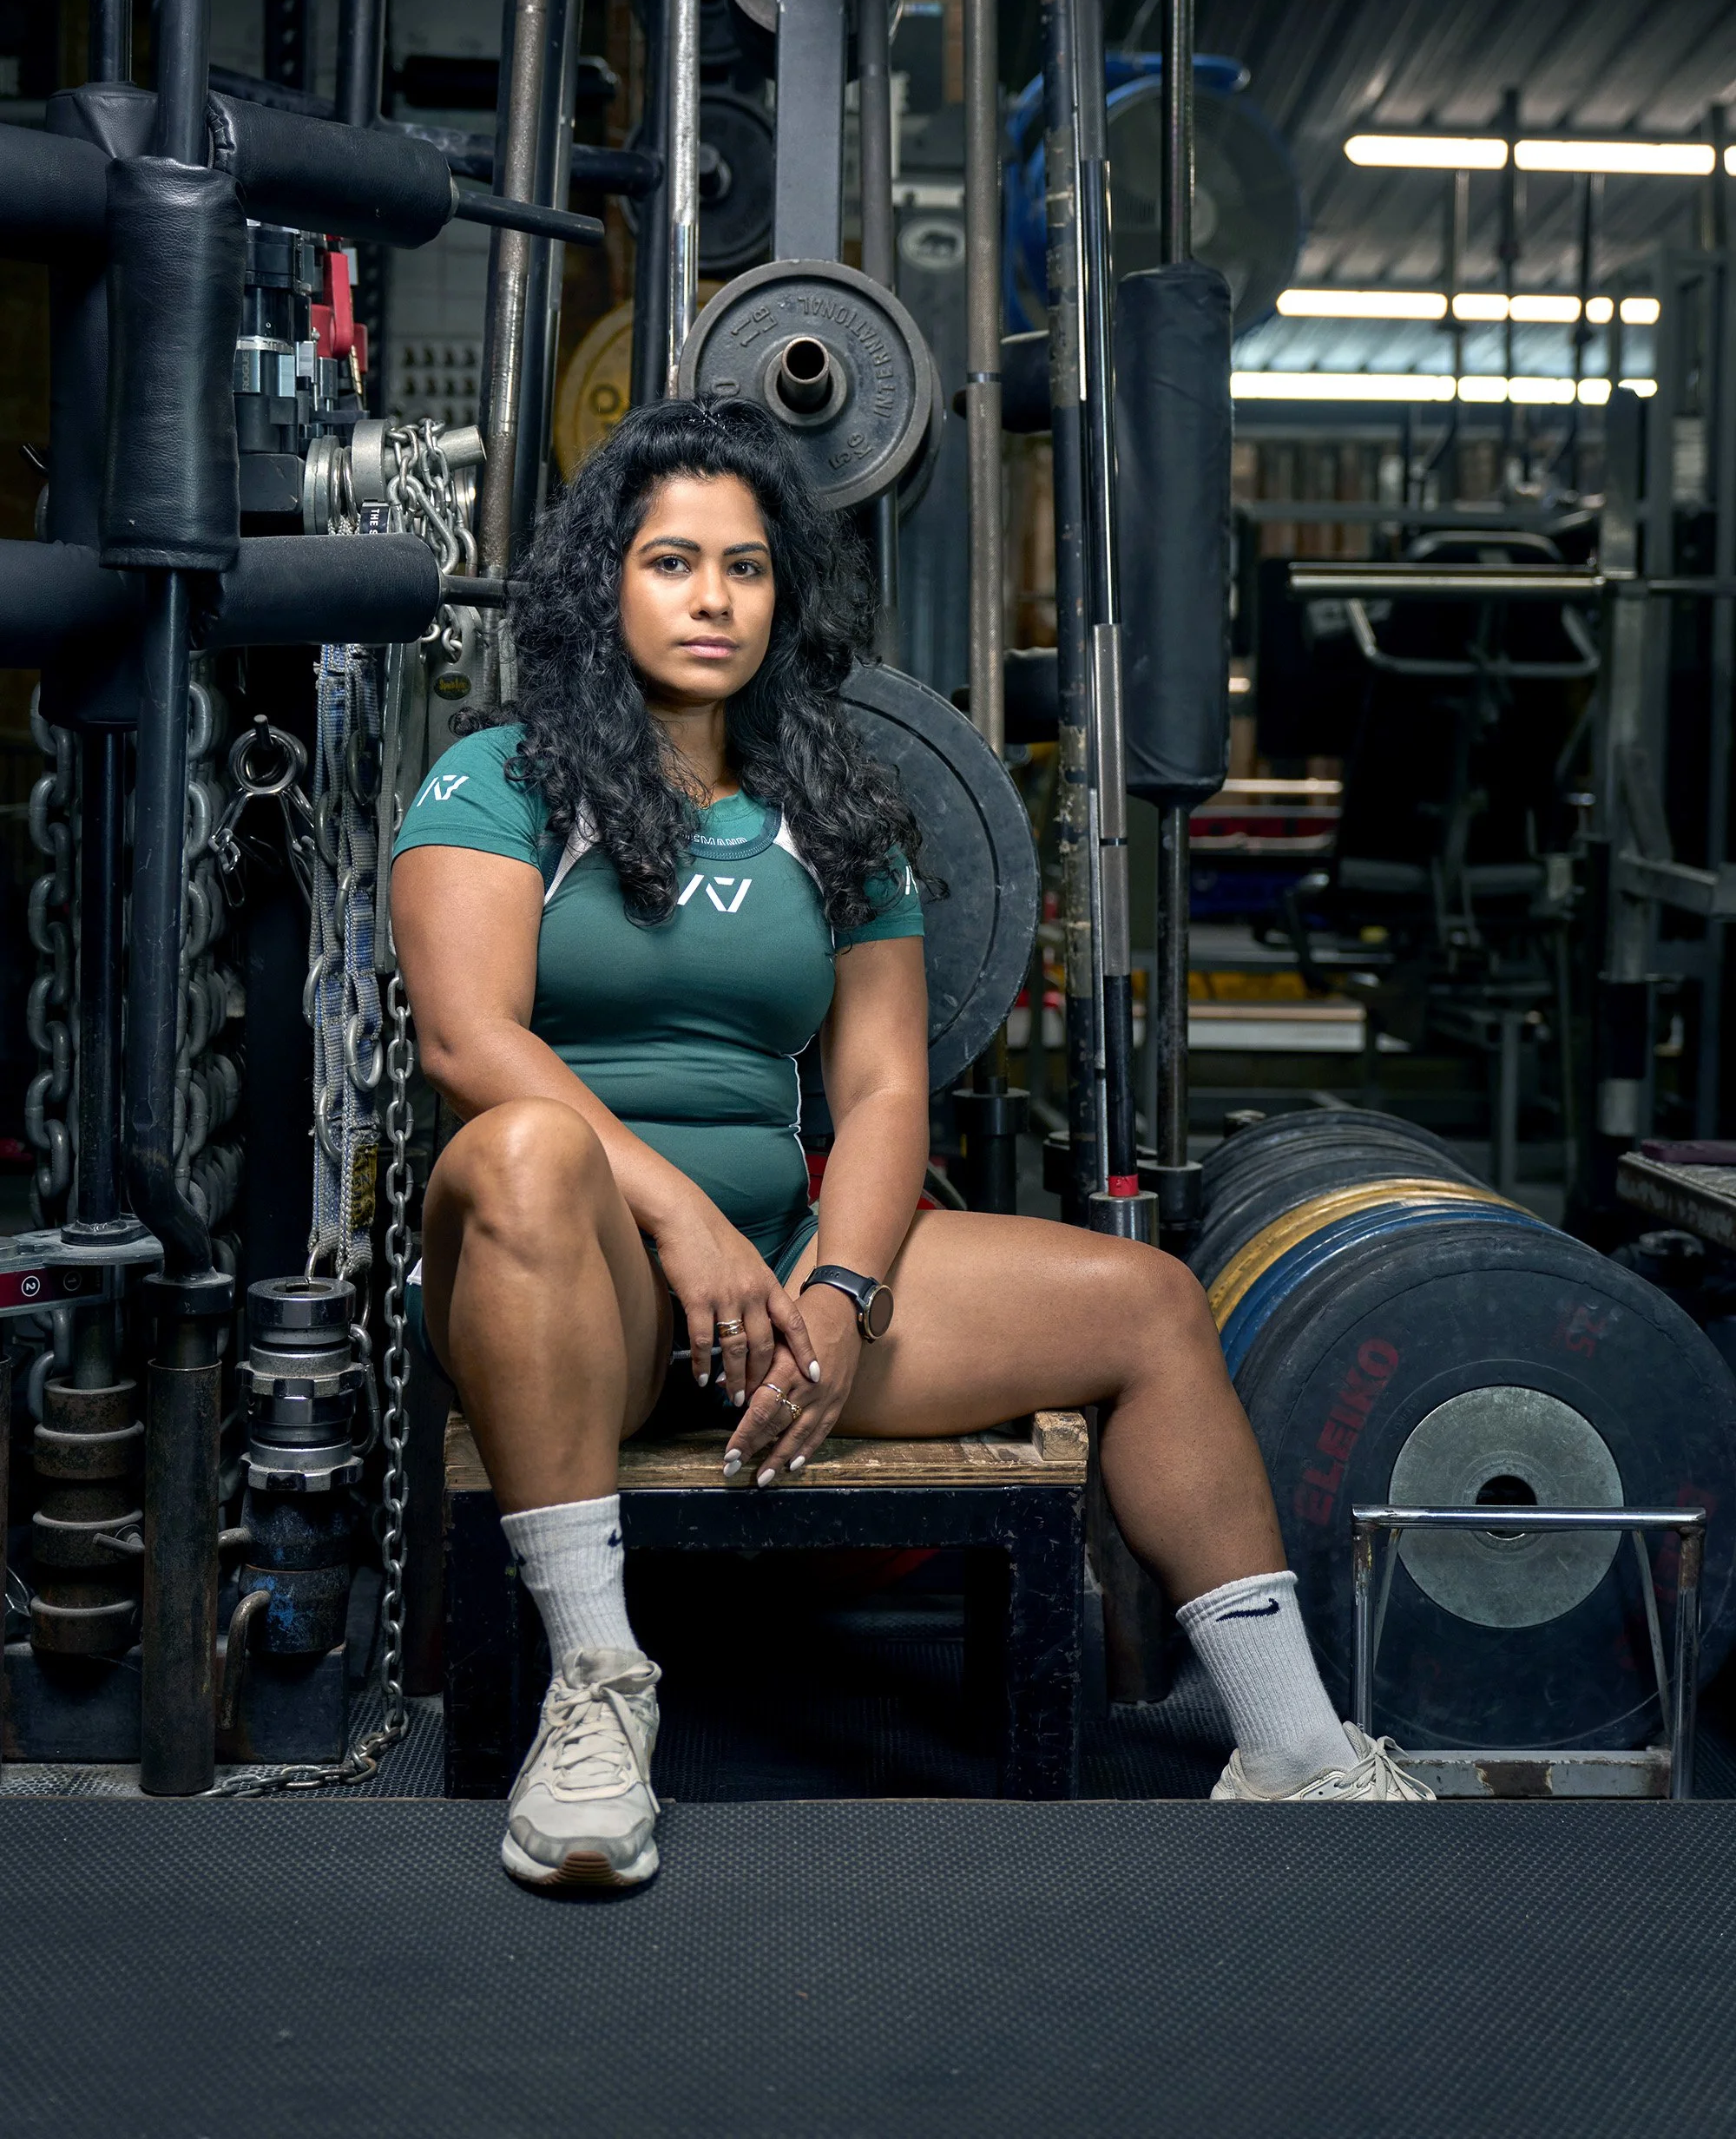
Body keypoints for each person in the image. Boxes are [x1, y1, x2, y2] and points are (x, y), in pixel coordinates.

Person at [391, 396, 1430, 1893]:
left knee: (1146, 1306)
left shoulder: (832, 812)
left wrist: (840, 1291)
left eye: (744, 569)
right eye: (671, 561)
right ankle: (601, 1696)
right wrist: (685, 1221)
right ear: (601, 583)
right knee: (525, 1153)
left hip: (779, 1278)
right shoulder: (501, 779)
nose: (711, 599)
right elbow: (468, 1040)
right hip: (580, 1290)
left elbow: (881, 1093)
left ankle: (1293, 1749)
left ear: (781, 596)